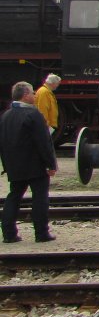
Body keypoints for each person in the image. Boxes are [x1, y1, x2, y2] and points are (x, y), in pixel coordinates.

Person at [0, 82, 58, 243]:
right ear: (25, 95)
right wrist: (50, 164)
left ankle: (8, 234)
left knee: (14, 197)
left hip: (14, 165)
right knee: (40, 197)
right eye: (33, 93)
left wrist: (6, 165)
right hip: (35, 165)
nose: (35, 95)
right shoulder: (33, 115)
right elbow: (43, 142)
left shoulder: (5, 116)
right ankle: (41, 233)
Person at [35, 74, 61, 138]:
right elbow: (43, 109)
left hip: (47, 125)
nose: (57, 86)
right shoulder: (44, 92)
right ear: (52, 83)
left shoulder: (46, 92)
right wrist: (46, 125)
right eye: (57, 84)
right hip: (46, 126)